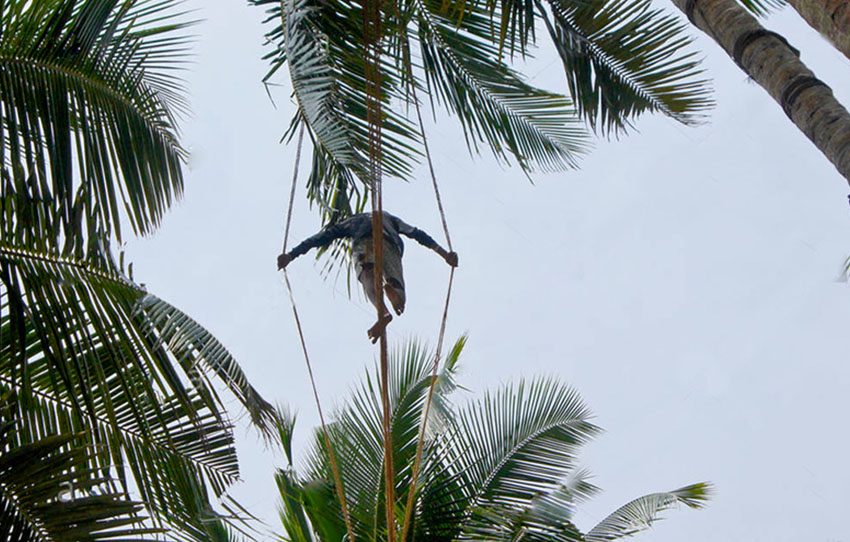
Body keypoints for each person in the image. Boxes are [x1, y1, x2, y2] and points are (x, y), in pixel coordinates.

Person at [278, 211, 458, 342]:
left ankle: (383, 312)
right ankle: (393, 290)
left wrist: (292, 255)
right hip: (390, 245)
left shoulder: (350, 222)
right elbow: (417, 234)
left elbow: (321, 238)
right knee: (401, 301)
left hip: (363, 243)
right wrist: (444, 254)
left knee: (367, 277)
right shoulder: (388, 217)